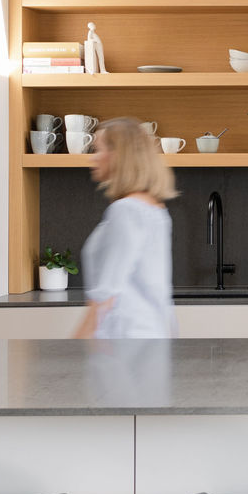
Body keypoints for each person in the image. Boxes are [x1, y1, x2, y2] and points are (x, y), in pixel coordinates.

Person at [73, 117, 179, 338]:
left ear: (118, 154)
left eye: (98, 149)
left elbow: (107, 292)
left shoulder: (126, 210)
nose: (92, 158)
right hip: (150, 336)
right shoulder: (155, 210)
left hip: (125, 339)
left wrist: (75, 344)